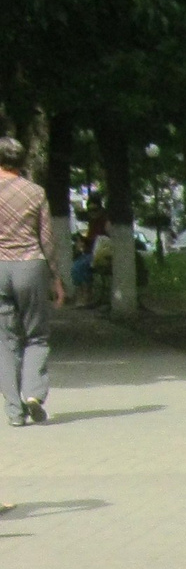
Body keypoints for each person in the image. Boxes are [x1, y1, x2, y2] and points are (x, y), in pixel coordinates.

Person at [0, 135, 63, 426]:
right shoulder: (35, 192)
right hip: (30, 266)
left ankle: (14, 411)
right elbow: (47, 238)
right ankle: (34, 395)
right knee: (36, 336)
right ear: (21, 161)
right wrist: (56, 278)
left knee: (5, 340)